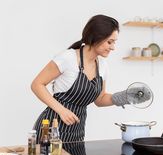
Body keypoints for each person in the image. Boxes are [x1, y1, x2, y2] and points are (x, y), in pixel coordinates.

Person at [31, 14, 150, 146]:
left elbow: (100, 100)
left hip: (77, 131)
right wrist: (62, 110)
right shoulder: (68, 58)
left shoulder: (103, 65)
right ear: (95, 38)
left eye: (114, 42)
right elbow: (37, 84)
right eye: (109, 42)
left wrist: (126, 96)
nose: (113, 47)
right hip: (51, 129)